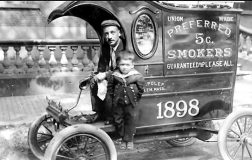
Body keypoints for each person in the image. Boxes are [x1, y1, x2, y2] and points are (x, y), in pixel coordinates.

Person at [89, 19, 125, 124]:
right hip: (111, 74)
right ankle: (99, 112)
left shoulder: (124, 48)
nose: (109, 37)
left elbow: (121, 70)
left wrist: (105, 75)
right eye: (106, 34)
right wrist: (97, 75)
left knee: (110, 85)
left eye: (112, 32)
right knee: (93, 81)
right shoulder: (106, 47)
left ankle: (110, 117)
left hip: (122, 77)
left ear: (119, 33)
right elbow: (101, 65)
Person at [106, 50, 145, 150]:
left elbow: (141, 90)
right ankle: (123, 137)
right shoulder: (115, 75)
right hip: (118, 103)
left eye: (127, 65)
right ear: (118, 65)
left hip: (131, 103)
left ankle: (129, 139)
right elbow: (110, 88)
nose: (124, 67)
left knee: (130, 120)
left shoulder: (137, 76)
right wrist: (112, 99)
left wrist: (135, 99)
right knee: (118, 120)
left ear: (132, 65)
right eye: (122, 64)